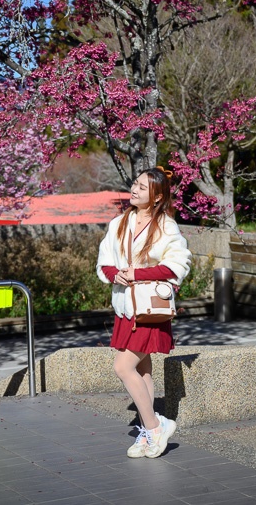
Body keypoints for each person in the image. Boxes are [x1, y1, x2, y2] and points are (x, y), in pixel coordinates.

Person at [96, 166, 192, 458]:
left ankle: (155, 426)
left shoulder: (166, 226)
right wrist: (117, 275)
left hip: (149, 309)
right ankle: (147, 434)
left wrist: (138, 273)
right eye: (135, 184)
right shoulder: (119, 223)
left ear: (157, 196)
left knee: (122, 367)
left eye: (142, 187)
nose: (134, 189)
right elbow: (104, 263)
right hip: (126, 307)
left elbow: (178, 264)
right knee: (142, 369)